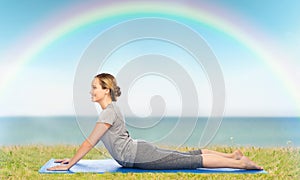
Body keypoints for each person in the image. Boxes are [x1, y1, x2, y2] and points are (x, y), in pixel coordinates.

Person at [48, 73, 263, 171]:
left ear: (106, 90)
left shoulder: (107, 113)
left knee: (190, 161)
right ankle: (232, 155)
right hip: (139, 151)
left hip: (139, 154)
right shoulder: (111, 110)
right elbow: (96, 143)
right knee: (187, 156)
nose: (91, 91)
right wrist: (74, 159)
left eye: (95, 87)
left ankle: (239, 163)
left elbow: (89, 142)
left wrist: (70, 164)